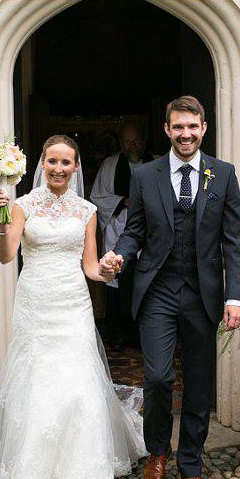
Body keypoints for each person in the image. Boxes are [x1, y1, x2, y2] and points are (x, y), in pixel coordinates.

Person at [0, 135, 147, 479]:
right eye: (52, 161)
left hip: (72, 303)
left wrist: (108, 269)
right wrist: (2, 221)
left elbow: (89, 266)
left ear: (76, 167)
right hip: (35, 302)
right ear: (42, 163)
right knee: (37, 382)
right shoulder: (22, 205)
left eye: (66, 163)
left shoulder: (87, 210)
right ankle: (34, 478)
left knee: (76, 386)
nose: (58, 169)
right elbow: (7, 257)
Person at [99, 96, 240, 479]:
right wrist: (121, 255)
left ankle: (192, 466)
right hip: (158, 291)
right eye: (177, 127)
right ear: (167, 130)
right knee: (160, 377)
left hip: (203, 295)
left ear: (204, 128)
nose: (185, 134)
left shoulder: (223, 174)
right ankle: (158, 452)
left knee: (199, 382)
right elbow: (134, 232)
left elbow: (235, 240)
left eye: (192, 127)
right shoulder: (146, 175)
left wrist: (235, 296)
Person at [90, 122, 154, 350]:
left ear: (143, 140)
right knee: (116, 279)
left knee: (146, 282)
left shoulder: (156, 163)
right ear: (120, 143)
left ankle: (143, 335)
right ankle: (117, 334)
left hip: (148, 233)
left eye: (135, 140)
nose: (132, 145)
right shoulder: (110, 164)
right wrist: (123, 201)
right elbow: (97, 197)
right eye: (127, 141)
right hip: (118, 228)